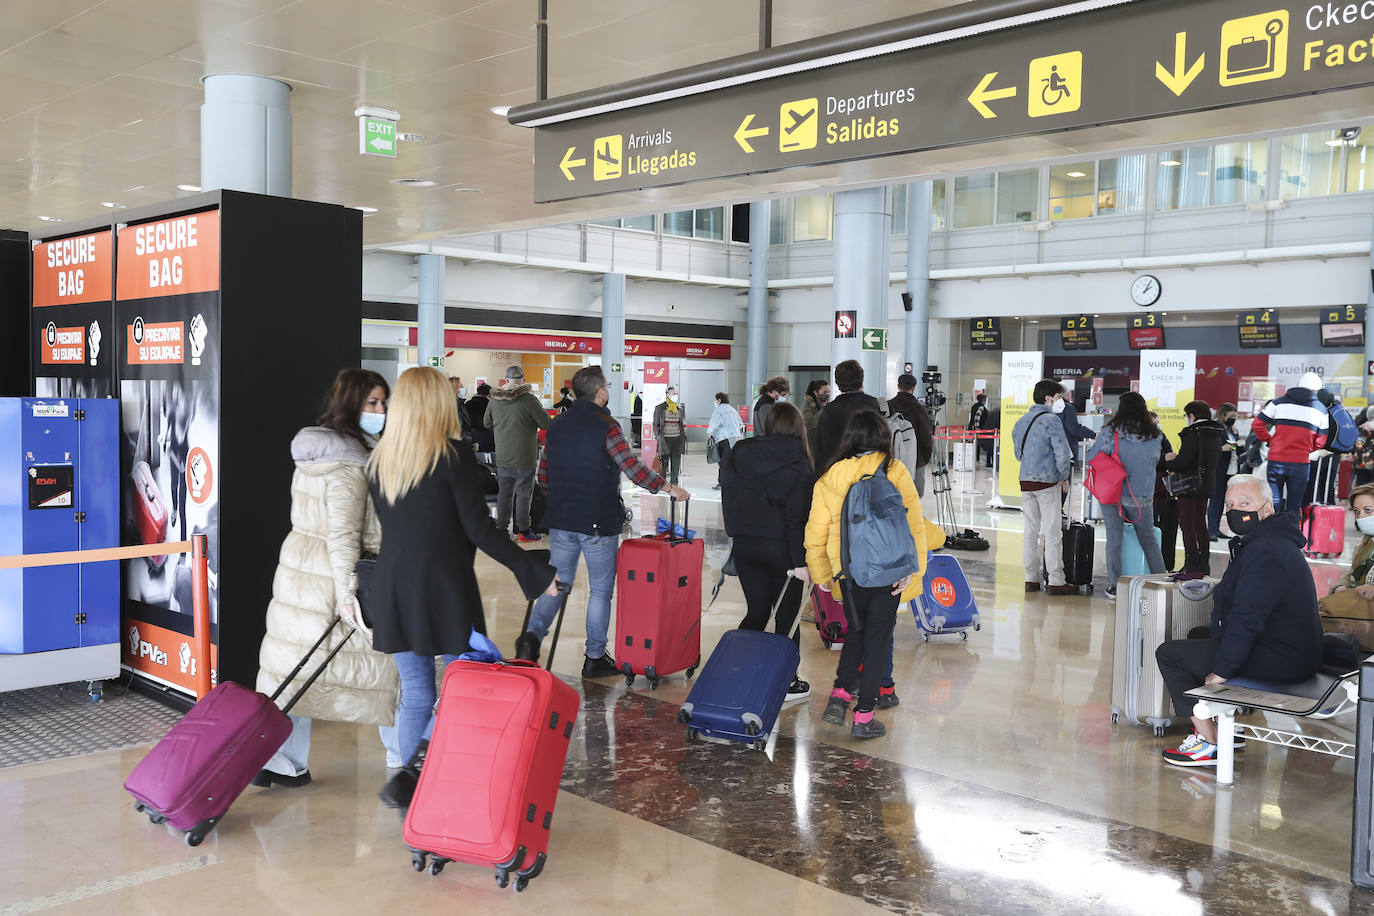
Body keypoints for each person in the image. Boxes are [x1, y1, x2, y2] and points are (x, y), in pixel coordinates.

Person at [367, 367, 558, 807]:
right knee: (462, 682)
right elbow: (480, 530)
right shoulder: (451, 456)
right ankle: (436, 778)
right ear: (438, 404)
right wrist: (534, 573)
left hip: (395, 587)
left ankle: (409, 785)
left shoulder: (382, 459)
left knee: (416, 691)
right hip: (445, 587)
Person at [255, 369, 400, 787]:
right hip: (335, 578)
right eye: (372, 403)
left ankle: (280, 760)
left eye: (383, 402)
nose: (381, 410)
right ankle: (405, 754)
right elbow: (343, 533)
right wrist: (349, 593)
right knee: (387, 668)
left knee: (295, 670)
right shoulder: (348, 463)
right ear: (351, 404)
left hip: (301, 573)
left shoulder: (317, 451)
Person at [516, 366, 689, 677]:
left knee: (557, 583)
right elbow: (631, 468)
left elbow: (544, 475)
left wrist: (561, 504)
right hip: (597, 520)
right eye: (607, 386)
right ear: (600, 392)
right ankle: (594, 657)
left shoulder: (557, 425)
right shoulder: (607, 426)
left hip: (561, 520)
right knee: (599, 590)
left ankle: (531, 639)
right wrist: (668, 487)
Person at [1154, 474, 1323, 767]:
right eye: (1230, 504)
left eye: (1245, 503)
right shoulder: (1267, 541)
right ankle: (1229, 732)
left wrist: (1222, 670)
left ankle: (1209, 742)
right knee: (1197, 635)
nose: (1235, 510)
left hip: (1284, 659)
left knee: (1169, 655)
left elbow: (1248, 617)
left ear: (1267, 508)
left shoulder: (1267, 550)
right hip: (1288, 648)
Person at [806, 409, 928, 739]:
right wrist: (912, 572)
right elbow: (914, 526)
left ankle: (841, 693)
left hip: (849, 573)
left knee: (856, 634)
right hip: (890, 574)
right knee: (877, 641)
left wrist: (822, 573)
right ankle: (863, 717)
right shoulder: (895, 470)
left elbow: (816, 531)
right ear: (882, 437)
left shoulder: (830, 476)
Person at [721, 401, 815, 701]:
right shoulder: (800, 461)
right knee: (787, 618)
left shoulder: (741, 453)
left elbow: (728, 494)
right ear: (798, 428)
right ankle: (787, 681)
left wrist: (736, 531)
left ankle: (736, 670)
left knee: (758, 611)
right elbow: (796, 518)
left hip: (746, 545)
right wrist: (801, 561)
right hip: (782, 550)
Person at [1085, 392, 1167, 599]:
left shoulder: (1110, 432)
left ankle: (1114, 587)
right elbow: (1155, 462)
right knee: (1148, 540)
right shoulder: (1156, 435)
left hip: (1112, 494)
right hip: (1142, 496)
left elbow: (1091, 458)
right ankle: (1161, 584)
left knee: (1114, 540)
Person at [1011, 379, 1075, 596]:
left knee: (1030, 530)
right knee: (1052, 531)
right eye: (1059, 397)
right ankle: (1056, 579)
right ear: (1049, 398)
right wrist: (1063, 475)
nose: (1061, 402)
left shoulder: (1021, 421)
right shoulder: (1051, 420)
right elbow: (1062, 452)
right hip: (1047, 482)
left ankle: (1031, 578)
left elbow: (1018, 454)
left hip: (1025, 481)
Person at [483, 365, 551, 541]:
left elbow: (486, 423)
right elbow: (545, 423)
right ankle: (523, 530)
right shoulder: (529, 399)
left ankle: (501, 529)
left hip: (503, 455)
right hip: (525, 456)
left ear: (506, 380)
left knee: (504, 493)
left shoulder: (494, 400)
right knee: (523, 494)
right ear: (523, 380)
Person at [1252, 371, 1329, 518]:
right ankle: (1291, 538)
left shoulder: (1278, 402)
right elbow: (1321, 441)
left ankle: (1271, 535)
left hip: (1276, 460)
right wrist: (1305, 449)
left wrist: (1270, 440)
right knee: (1294, 505)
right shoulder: (1321, 410)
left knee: (1274, 502)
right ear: (1316, 390)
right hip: (1300, 463)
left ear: (1298, 385)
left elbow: (1257, 424)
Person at [1163, 401, 1227, 578]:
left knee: (1187, 524)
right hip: (1206, 484)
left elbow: (1184, 461)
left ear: (1192, 416)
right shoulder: (1214, 433)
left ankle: (1191, 563)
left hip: (1189, 485)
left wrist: (1169, 462)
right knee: (1200, 523)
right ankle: (1203, 563)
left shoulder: (1193, 434)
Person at [816, 360, 882, 471]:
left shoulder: (830, 410)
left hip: (840, 475)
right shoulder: (875, 405)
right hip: (871, 472)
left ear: (837, 382)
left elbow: (823, 450)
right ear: (862, 379)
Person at [888, 373, 935, 496]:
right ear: (914, 387)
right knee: (914, 495)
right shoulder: (920, 409)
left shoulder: (888, 406)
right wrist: (924, 458)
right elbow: (926, 436)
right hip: (916, 460)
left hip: (891, 460)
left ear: (898, 386)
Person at [1328, 483, 1374, 596]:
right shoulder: (1366, 541)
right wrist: (1340, 586)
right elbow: (1353, 571)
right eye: (1357, 511)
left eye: (1368, 510)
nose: (1360, 516)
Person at [1208, 403, 1241, 541]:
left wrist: (1236, 436)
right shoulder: (1216, 428)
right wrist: (1222, 448)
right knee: (1215, 499)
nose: (1233, 418)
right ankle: (1211, 530)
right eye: (1231, 416)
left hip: (1231, 467)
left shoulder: (1232, 429)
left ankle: (1216, 528)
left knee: (1223, 499)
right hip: (1219, 468)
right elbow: (1211, 447)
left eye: (1235, 416)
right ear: (1223, 415)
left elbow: (1236, 445)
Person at [1152, 413, 1180, 573]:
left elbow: (1170, 455)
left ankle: (1166, 564)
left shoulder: (1161, 437)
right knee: (1153, 527)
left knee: (1167, 527)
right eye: (1154, 423)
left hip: (1164, 489)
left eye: (1158, 423)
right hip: (1150, 490)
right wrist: (1164, 459)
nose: (1157, 426)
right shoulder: (1141, 438)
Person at [706, 391, 745, 490]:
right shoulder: (732, 409)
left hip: (725, 438)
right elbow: (741, 423)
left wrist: (709, 433)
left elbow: (714, 423)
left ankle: (723, 483)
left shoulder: (719, 410)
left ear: (719, 400)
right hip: (736, 438)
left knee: (724, 462)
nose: (715, 402)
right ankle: (734, 481)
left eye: (715, 400)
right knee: (733, 461)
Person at [652, 385, 688, 485]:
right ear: (667, 394)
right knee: (664, 463)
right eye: (673, 393)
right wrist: (658, 437)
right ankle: (662, 483)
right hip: (665, 440)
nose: (675, 395)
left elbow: (680, 425)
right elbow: (655, 424)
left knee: (676, 462)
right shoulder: (660, 408)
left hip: (677, 439)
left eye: (676, 394)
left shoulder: (678, 409)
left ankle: (674, 483)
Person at [802, 379, 829, 458]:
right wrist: (824, 409)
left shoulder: (824, 404)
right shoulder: (808, 406)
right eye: (824, 392)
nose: (827, 394)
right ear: (816, 393)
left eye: (828, 392)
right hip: (812, 447)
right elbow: (810, 423)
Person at [968, 392, 994, 468]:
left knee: (976, 444)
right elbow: (977, 417)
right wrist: (977, 427)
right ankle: (979, 460)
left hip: (972, 427)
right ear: (983, 400)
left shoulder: (974, 406)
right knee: (980, 443)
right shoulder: (981, 407)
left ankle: (976, 459)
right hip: (979, 429)